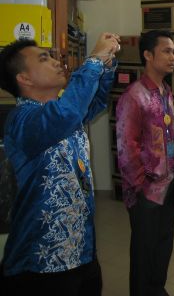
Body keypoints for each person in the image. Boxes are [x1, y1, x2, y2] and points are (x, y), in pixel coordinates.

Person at [0, 33, 120, 296]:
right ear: (24, 78)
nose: (56, 62)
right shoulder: (22, 120)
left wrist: (107, 64)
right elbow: (66, 114)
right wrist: (94, 60)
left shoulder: (64, 110)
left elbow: (95, 101)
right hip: (41, 263)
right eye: (44, 58)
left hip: (81, 250)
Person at [116, 29, 174, 296]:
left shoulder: (166, 91)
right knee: (144, 251)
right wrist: (140, 186)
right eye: (167, 51)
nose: (173, 57)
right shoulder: (134, 95)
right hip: (146, 190)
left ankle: (157, 289)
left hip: (169, 184)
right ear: (148, 55)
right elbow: (125, 146)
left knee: (164, 245)